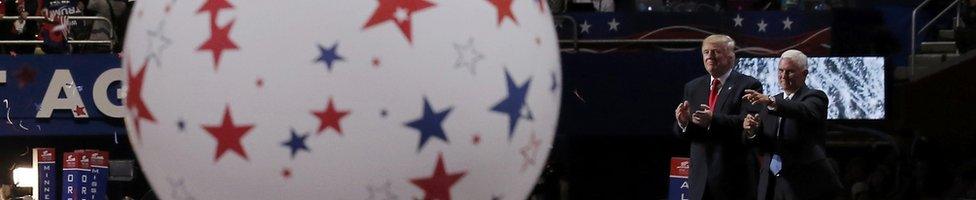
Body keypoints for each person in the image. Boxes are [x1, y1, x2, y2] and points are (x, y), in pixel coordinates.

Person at [741, 49, 844, 200]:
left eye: (790, 72)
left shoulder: (815, 97)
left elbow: (802, 111)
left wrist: (771, 102)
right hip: (770, 182)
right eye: (781, 71)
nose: (783, 76)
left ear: (804, 73)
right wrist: (751, 131)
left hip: (804, 182)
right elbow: (761, 143)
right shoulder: (769, 102)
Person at [673, 34, 763, 200]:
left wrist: (713, 119)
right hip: (700, 178)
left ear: (731, 56)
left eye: (715, 52)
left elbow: (748, 122)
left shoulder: (749, 85)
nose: (709, 56)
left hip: (733, 177)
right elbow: (685, 133)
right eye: (706, 52)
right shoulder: (693, 87)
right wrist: (683, 123)